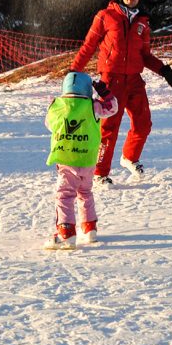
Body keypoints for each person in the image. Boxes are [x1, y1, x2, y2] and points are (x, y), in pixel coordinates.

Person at [69, 0, 172, 185]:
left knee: (143, 124)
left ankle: (130, 158)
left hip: (134, 80)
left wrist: (165, 71)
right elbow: (88, 46)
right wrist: (73, 71)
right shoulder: (106, 16)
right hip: (110, 80)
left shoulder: (143, 23)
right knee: (109, 128)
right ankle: (99, 173)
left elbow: (145, 56)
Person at [43, 71, 117, 250]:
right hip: (88, 159)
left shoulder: (57, 105)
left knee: (65, 195)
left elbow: (49, 124)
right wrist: (105, 93)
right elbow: (113, 108)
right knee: (85, 192)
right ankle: (90, 228)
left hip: (67, 159)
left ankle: (66, 233)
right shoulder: (93, 106)